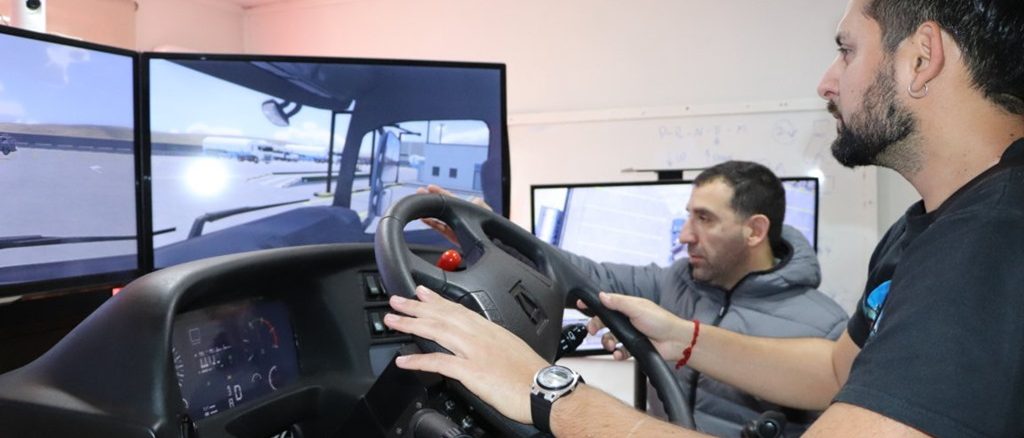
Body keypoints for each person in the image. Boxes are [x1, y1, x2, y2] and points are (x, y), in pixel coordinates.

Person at [384, 0, 1024, 436]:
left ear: (922, 58)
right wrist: (685, 339)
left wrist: (541, 387)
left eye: (847, 51)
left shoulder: (990, 239)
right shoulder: (926, 228)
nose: (828, 82)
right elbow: (835, 372)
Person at [420, 160, 847, 436]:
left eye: (704, 219)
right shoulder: (674, 284)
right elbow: (582, 276)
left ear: (754, 231)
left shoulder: (826, 330)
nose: (685, 235)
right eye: (688, 217)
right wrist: (492, 237)